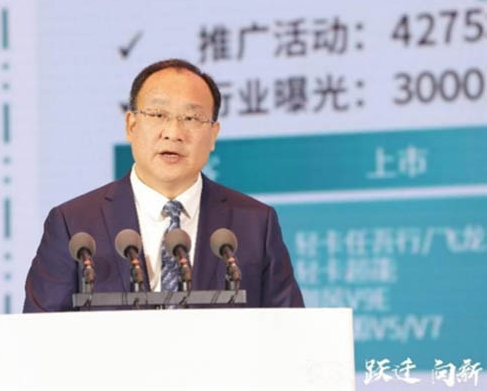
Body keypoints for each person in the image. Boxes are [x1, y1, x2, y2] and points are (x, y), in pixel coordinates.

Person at [23, 59, 304, 311]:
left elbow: (291, 332)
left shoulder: (255, 223)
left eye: (191, 118)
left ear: (213, 134)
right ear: (131, 125)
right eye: (158, 115)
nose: (173, 132)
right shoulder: (74, 223)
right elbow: (37, 336)